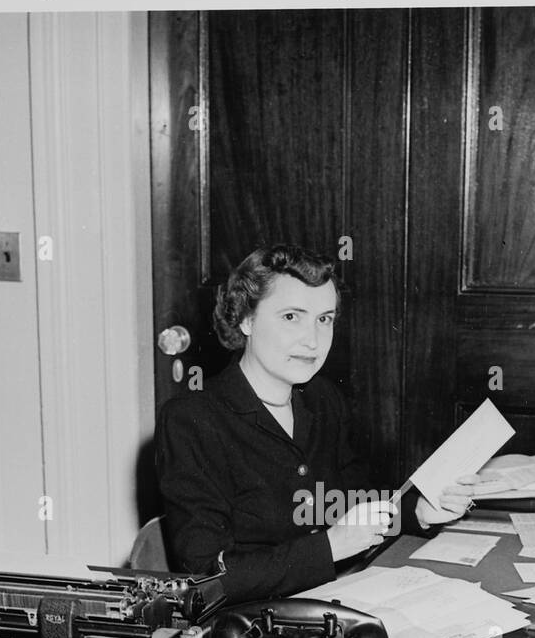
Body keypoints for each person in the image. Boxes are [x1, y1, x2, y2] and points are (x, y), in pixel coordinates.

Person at [156, 243, 474, 602]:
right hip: (250, 627)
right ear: (246, 319)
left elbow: (350, 501)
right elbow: (208, 577)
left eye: (324, 319)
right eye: (292, 316)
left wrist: (419, 512)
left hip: (333, 598)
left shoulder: (321, 399)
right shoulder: (191, 420)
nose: (312, 340)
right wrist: (331, 547)